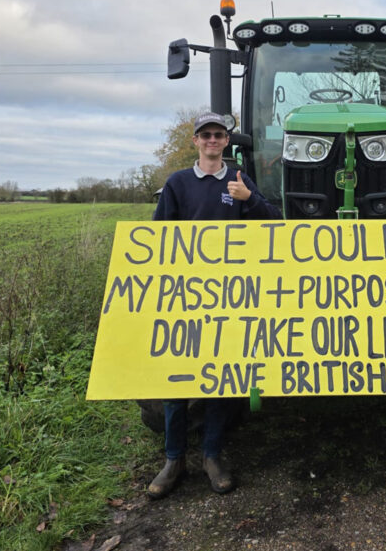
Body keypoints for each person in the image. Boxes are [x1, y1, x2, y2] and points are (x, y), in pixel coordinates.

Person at [147, 111, 281, 499]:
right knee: (174, 381)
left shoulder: (238, 180)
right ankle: (174, 459)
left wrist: (249, 199)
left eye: (218, 135)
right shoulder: (178, 183)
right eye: (205, 134)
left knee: (223, 380)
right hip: (185, 295)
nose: (212, 140)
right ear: (195, 141)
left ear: (226, 141)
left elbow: (274, 222)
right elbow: (158, 239)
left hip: (230, 295)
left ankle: (212, 455)